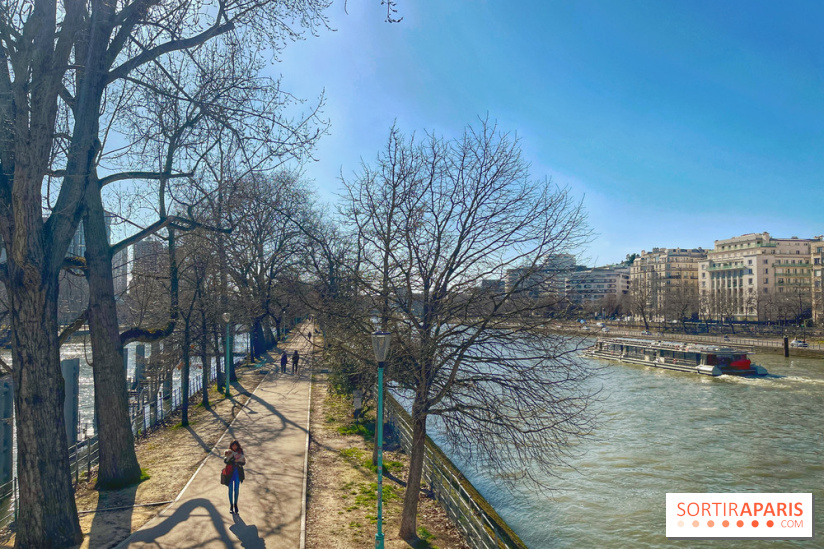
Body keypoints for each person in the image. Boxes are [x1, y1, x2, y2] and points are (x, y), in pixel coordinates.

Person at [223, 440, 246, 514]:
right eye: (233, 445)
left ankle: (235, 504)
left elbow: (243, 462)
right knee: (230, 490)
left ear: (238, 445)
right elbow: (226, 460)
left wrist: (238, 461)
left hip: (237, 473)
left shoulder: (240, 451)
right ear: (231, 446)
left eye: (236, 445)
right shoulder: (228, 452)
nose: (234, 447)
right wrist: (233, 460)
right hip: (230, 473)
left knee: (236, 489)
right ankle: (231, 505)